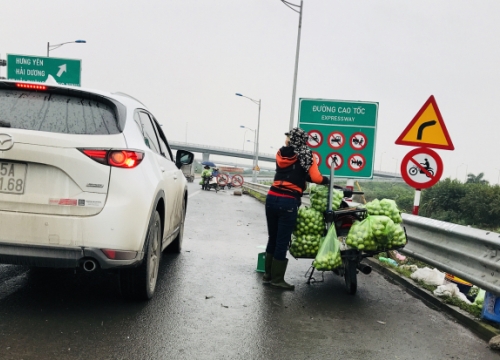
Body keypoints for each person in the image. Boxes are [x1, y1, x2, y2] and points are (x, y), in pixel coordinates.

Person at [264, 127, 329, 290]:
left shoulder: (280, 153)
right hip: (288, 201)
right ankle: (277, 279)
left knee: (272, 238)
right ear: (303, 140)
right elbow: (316, 177)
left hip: (271, 197)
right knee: (282, 241)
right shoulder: (307, 154)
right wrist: (326, 180)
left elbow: (290, 171)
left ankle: (268, 275)